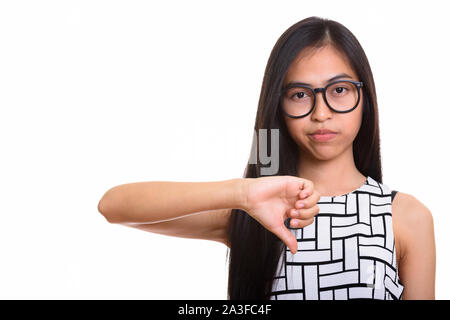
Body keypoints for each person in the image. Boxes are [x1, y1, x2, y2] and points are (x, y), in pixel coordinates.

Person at [97, 16, 435, 300]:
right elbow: (114, 206)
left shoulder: (405, 216)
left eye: (339, 90)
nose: (321, 113)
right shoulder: (257, 208)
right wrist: (244, 193)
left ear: (366, 98)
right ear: (278, 107)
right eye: (300, 95)